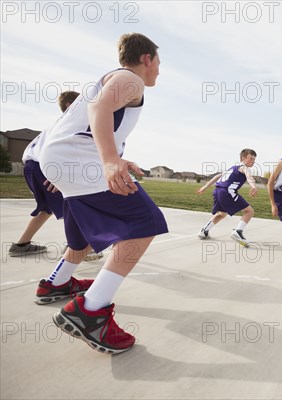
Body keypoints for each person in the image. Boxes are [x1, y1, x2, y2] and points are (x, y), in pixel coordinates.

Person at [38, 33, 168, 354]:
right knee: (145, 221)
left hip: (64, 158)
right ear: (147, 59)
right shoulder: (130, 78)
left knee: (81, 238)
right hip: (77, 158)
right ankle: (91, 310)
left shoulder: (110, 79)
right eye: (158, 64)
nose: (159, 72)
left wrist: (111, 158)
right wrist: (109, 161)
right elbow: (100, 108)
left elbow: (91, 119)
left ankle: (56, 284)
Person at [9, 91, 103, 262]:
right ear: (70, 106)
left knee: (47, 208)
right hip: (44, 164)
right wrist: (56, 173)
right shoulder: (71, 122)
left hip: (33, 164)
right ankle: (75, 247)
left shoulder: (60, 123)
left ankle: (21, 245)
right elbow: (64, 149)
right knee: (73, 202)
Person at [196, 149, 258, 247]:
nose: (253, 161)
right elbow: (249, 176)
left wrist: (205, 187)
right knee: (249, 211)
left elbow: (217, 176)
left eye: (254, 159)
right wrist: (253, 186)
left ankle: (204, 231)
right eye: (251, 158)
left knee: (221, 214)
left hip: (217, 191)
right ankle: (238, 231)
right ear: (243, 158)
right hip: (227, 192)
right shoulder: (244, 167)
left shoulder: (231, 168)